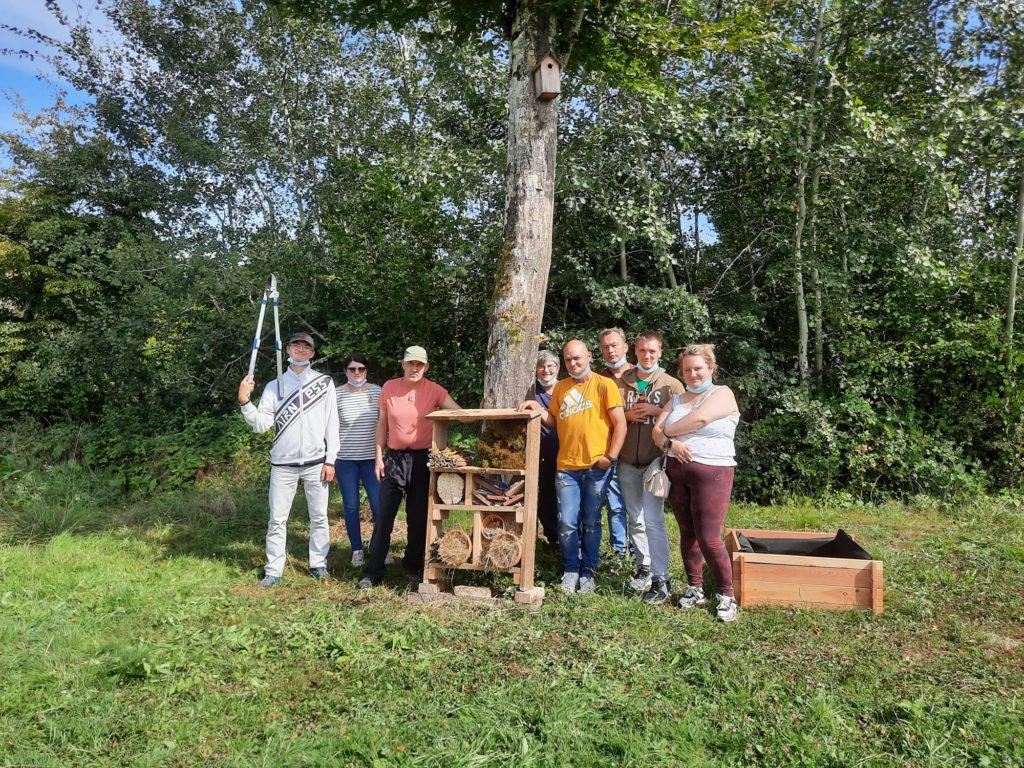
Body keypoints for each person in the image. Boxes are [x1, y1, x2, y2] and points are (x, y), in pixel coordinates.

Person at [518, 340, 626, 596]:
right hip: (566, 467)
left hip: (596, 466)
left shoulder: (604, 384)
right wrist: (538, 408)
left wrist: (610, 458)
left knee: (590, 521)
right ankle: (570, 569)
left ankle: (588, 571)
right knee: (566, 522)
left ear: (589, 356)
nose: (573, 363)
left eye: (577, 358)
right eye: (568, 360)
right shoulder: (562, 388)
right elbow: (554, 421)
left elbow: (620, 424)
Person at [237, 331, 339, 587]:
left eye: (306, 347)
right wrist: (244, 401)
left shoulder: (324, 383)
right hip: (283, 465)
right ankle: (273, 570)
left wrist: (331, 460)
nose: (301, 350)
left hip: (317, 463)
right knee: (277, 519)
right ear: (288, 350)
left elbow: (332, 426)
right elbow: (261, 425)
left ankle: (318, 564)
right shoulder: (274, 386)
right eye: (296, 346)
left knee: (319, 517)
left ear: (312, 353)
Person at [357, 346, 461, 588]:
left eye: (420, 365)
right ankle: (373, 570)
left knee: (418, 516)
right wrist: (378, 456)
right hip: (393, 459)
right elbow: (382, 423)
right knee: (384, 515)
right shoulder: (389, 387)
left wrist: (483, 413)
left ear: (426, 367)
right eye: (410, 363)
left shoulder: (434, 390)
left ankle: (412, 565)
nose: (415, 368)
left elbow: (458, 411)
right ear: (402, 364)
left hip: (422, 461)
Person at [652, 343, 741, 622]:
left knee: (710, 537)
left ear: (711, 369)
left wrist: (667, 431)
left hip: (713, 472)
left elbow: (700, 419)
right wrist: (670, 444)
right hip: (677, 472)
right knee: (687, 533)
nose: (693, 374)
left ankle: (727, 595)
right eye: (687, 370)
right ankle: (695, 588)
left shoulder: (722, 393)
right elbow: (655, 433)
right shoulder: (677, 399)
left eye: (698, 368)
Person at [617, 331, 685, 603]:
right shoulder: (622, 383)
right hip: (626, 462)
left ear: (660, 352)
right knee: (635, 518)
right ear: (635, 351)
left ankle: (661, 576)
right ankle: (643, 566)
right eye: (643, 351)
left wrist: (659, 413)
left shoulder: (671, 386)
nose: (647, 356)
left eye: (652, 351)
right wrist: (626, 415)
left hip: (655, 464)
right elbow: (608, 416)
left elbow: (685, 422)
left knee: (654, 520)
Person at [335, 353, 382, 567]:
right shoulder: (336, 394)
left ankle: (378, 546)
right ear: (345, 371)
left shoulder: (377, 391)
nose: (356, 373)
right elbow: (328, 427)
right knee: (351, 506)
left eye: (360, 369)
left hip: (372, 459)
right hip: (345, 460)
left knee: (379, 506)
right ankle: (356, 549)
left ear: (366, 371)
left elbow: (385, 423)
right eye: (352, 369)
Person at [598, 327, 631, 562]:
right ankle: (619, 553)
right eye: (606, 347)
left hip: (637, 452)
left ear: (625, 347)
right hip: (608, 451)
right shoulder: (598, 379)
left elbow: (644, 409)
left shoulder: (639, 377)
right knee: (614, 504)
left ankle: (642, 554)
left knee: (637, 507)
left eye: (614, 345)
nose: (610, 350)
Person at [524, 350, 560, 545]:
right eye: (541, 366)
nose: (546, 370)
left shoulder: (566, 389)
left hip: (565, 449)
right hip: (540, 451)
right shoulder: (531, 392)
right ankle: (551, 536)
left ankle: (572, 537)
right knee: (546, 494)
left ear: (558, 368)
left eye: (550, 366)